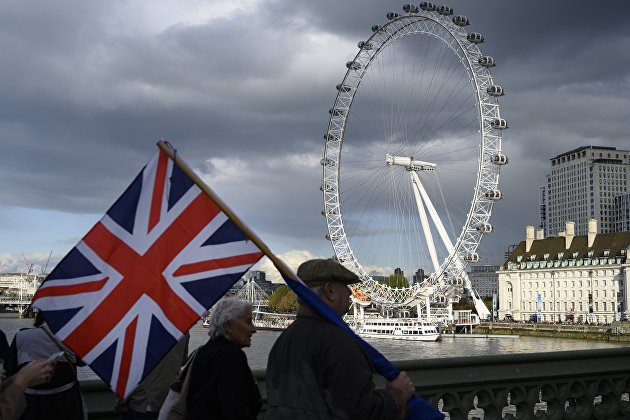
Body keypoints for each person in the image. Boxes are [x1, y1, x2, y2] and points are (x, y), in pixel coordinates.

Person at [265, 259, 415, 420]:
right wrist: (397, 395)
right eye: (345, 286)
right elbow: (360, 412)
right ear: (330, 291)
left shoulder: (284, 339)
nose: (351, 293)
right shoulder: (338, 342)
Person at [185, 298, 261, 420]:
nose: (254, 329)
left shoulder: (200, 352)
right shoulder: (233, 357)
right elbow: (237, 410)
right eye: (248, 322)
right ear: (228, 326)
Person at [6, 311, 86, 420]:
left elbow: (10, 370)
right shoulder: (70, 338)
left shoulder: (21, 337)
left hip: (31, 404)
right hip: (66, 402)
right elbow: (83, 362)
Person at [115, 334, 189, 419]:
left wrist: (120, 403)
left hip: (142, 402)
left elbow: (127, 368)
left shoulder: (137, 330)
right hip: (169, 399)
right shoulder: (182, 329)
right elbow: (183, 360)